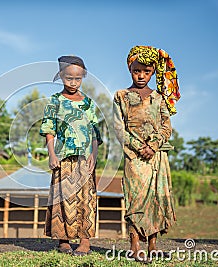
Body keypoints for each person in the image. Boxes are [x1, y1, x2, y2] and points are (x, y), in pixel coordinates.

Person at [113, 46, 179, 262]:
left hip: (157, 158)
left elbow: (166, 127)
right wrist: (138, 146)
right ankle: (134, 247)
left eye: (146, 71)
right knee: (136, 200)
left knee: (155, 200)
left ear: (153, 72)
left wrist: (154, 145)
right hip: (134, 158)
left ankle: (152, 247)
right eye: (136, 71)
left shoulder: (160, 98)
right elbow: (118, 128)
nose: (141, 76)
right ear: (129, 69)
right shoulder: (121, 96)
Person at [40, 55, 102, 256]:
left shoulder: (88, 103)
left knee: (86, 199)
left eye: (77, 79)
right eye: (68, 78)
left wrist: (94, 154)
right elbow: (49, 128)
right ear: (61, 76)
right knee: (63, 198)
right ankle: (63, 240)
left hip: (85, 159)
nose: (73, 83)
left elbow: (95, 131)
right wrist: (51, 154)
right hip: (64, 156)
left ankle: (85, 241)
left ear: (82, 77)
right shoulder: (55, 101)